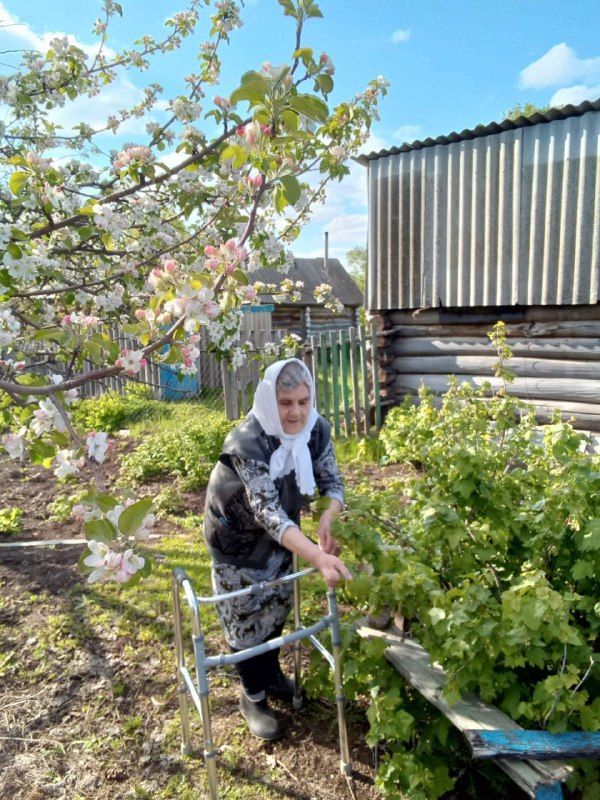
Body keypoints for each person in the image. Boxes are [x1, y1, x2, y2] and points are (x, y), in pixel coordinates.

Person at [203, 357, 351, 740]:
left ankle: (270, 675)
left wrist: (329, 515)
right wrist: (318, 556)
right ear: (271, 400)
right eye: (286, 403)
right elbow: (266, 512)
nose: (296, 412)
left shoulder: (315, 430)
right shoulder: (247, 442)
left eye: (303, 401)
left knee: (278, 604)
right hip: (237, 540)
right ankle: (251, 695)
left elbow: (333, 481)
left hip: (283, 535)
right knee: (246, 615)